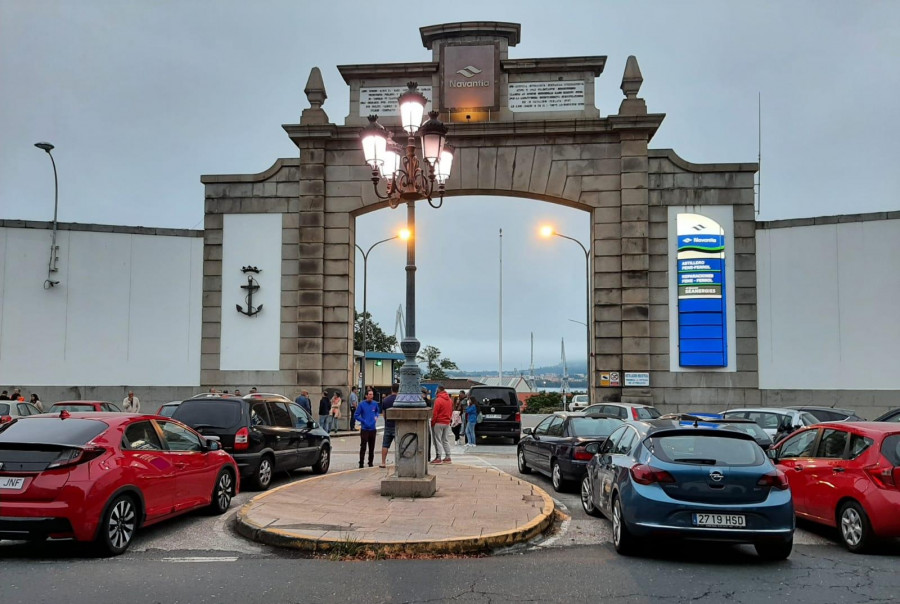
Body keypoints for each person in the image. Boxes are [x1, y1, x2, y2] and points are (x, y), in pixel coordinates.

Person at [354, 389, 380, 468]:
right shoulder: (362, 404)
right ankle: (361, 462)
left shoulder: (375, 404)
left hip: (372, 428)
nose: (371, 396)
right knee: (363, 446)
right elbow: (356, 415)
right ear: (366, 395)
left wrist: (376, 417)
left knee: (372, 447)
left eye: (372, 394)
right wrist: (363, 420)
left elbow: (377, 412)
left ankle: (370, 462)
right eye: (369, 394)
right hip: (365, 429)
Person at [430, 385, 453, 464]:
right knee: (445, 440)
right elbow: (451, 411)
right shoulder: (449, 400)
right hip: (447, 422)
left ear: (438, 391)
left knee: (437, 440)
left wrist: (433, 422)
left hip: (438, 422)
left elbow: (435, 413)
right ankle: (448, 456)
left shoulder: (438, 400)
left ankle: (438, 457)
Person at [379, 383, 399, 468]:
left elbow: (383, 413)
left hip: (388, 425)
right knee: (398, 445)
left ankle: (383, 462)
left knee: (385, 445)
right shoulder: (400, 400)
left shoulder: (386, 400)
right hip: (397, 425)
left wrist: (386, 420)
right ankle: (398, 462)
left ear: (391, 389)